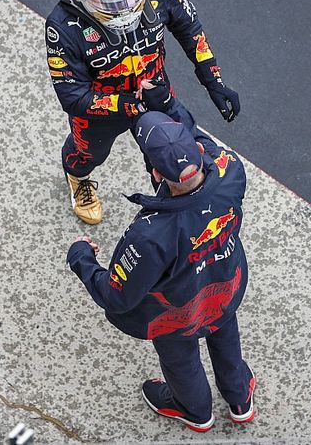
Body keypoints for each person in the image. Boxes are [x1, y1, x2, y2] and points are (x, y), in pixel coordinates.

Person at [66, 105, 255, 433]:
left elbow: (117, 295)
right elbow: (203, 141)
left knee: (180, 358)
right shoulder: (231, 170)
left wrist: (81, 258)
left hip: (175, 311)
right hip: (224, 282)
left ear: (155, 174)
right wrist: (168, 104)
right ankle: (239, 398)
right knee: (225, 332)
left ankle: (195, 411)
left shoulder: (150, 235)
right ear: (196, 151)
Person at [46, 0, 240, 225]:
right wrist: (129, 105)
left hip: (157, 92)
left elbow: (189, 27)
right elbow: (71, 96)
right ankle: (78, 179)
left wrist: (212, 80)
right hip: (101, 110)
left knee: (174, 157)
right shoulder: (62, 27)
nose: (123, 7)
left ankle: (173, 208)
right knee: (87, 155)